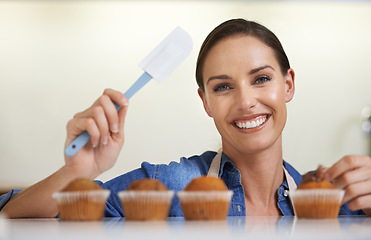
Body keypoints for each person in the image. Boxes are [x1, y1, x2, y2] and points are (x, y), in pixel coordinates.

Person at [1, 18, 370, 218]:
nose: (246, 101)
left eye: (261, 79)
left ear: (287, 85)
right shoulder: (169, 185)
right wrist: (77, 172)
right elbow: (14, 215)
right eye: (223, 87)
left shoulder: (330, 198)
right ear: (205, 101)